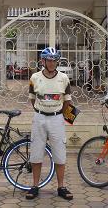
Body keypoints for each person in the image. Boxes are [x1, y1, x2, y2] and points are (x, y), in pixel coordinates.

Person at [26, 46, 73, 200]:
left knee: (60, 154)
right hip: (39, 118)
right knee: (36, 153)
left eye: (54, 60)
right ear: (43, 61)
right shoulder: (34, 78)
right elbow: (32, 98)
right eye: (49, 60)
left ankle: (61, 187)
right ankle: (35, 186)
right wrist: (42, 110)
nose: (52, 63)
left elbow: (67, 101)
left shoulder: (64, 78)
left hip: (56, 119)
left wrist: (57, 113)